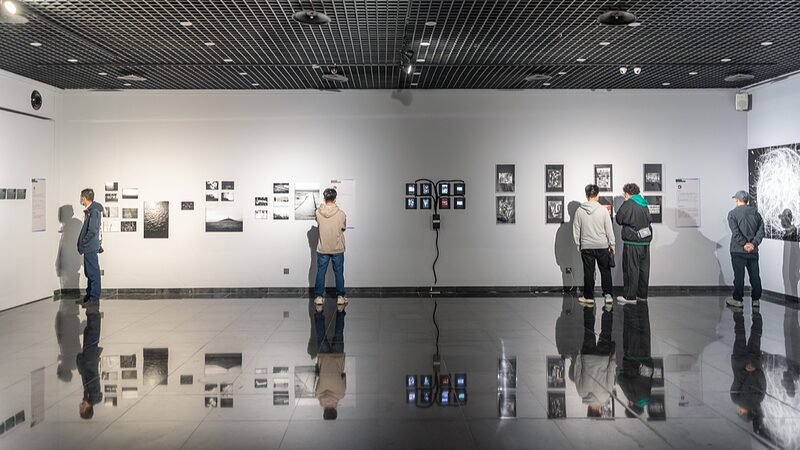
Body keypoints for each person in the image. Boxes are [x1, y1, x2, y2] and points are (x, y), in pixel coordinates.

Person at [573, 184, 616, 306]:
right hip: (602, 246)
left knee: (588, 272)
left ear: (586, 195)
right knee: (605, 271)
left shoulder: (579, 210)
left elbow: (576, 229)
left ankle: (589, 297)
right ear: (597, 195)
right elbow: (609, 229)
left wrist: (578, 244)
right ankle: (608, 296)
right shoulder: (603, 210)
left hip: (586, 247)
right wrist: (612, 244)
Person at [571, 302, 615, 417]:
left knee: (606, 332)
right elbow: (577, 371)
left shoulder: (605, 396)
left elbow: (611, 373)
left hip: (603, 358)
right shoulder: (581, 393)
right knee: (588, 330)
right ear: (589, 410)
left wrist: (613, 358)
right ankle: (588, 307)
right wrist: (579, 355)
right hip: (588, 356)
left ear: (599, 411)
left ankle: (608, 310)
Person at [615, 183, 653, 304]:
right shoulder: (644, 203)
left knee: (631, 269)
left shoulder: (628, 203)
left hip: (632, 241)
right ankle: (642, 295)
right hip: (645, 242)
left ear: (627, 193)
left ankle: (629, 297)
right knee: (643, 269)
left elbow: (619, 219)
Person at [727, 191, 765, 309]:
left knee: (739, 276)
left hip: (738, 250)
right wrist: (753, 244)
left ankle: (738, 299)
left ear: (737, 200)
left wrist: (744, 244)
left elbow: (735, 231)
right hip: (753, 251)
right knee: (755, 276)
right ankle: (756, 299)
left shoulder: (732, 214)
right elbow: (761, 231)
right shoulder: (756, 213)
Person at [314, 188, 348, 310]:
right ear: (335, 199)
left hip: (323, 248)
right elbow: (343, 228)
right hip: (337, 248)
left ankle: (318, 297)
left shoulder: (318, 212)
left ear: (324, 198)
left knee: (320, 273)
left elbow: (318, 223)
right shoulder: (342, 214)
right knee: (339, 273)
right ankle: (340, 297)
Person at [314, 298, 347, 420]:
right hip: (323, 358)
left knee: (339, 332)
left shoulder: (341, 394)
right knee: (321, 334)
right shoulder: (318, 395)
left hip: (338, 357)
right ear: (324, 411)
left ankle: (340, 312)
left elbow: (343, 376)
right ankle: (318, 314)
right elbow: (317, 377)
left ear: (335, 410)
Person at [77, 188, 103, 307]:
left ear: (84, 198)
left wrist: (83, 241)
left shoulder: (94, 211)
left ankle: (94, 299)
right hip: (89, 247)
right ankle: (89, 296)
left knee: (93, 273)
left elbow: (92, 230)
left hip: (90, 247)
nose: (80, 199)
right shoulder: (91, 210)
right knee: (89, 272)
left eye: (81, 197)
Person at [77, 303, 102, 419]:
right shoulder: (93, 395)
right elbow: (90, 376)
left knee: (89, 334)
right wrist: (83, 363)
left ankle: (92, 312)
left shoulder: (88, 396)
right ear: (87, 409)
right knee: (92, 335)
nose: (80, 407)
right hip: (90, 359)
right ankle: (93, 312)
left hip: (88, 360)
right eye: (82, 409)